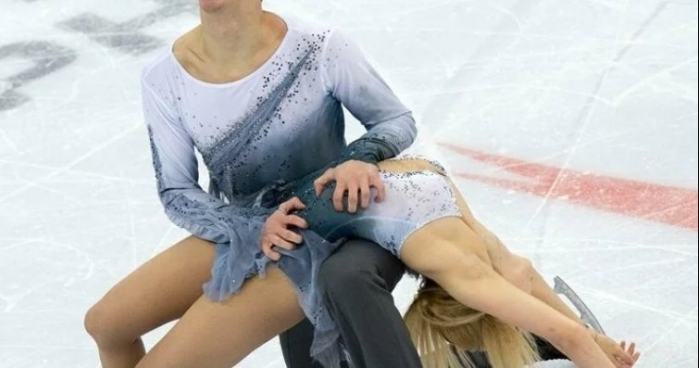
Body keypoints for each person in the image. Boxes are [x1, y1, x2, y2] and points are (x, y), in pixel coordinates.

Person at [84, 0, 422, 368]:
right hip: (244, 226)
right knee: (104, 324)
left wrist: (360, 156)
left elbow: (395, 119)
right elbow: (176, 189)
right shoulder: (164, 76)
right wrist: (248, 225)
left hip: (310, 229)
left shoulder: (317, 46)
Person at [257, 158, 641, 368]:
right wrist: (590, 345)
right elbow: (568, 333)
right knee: (323, 281)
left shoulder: (485, 262)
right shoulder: (469, 273)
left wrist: (596, 343)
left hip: (401, 179)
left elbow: (563, 325)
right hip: (308, 211)